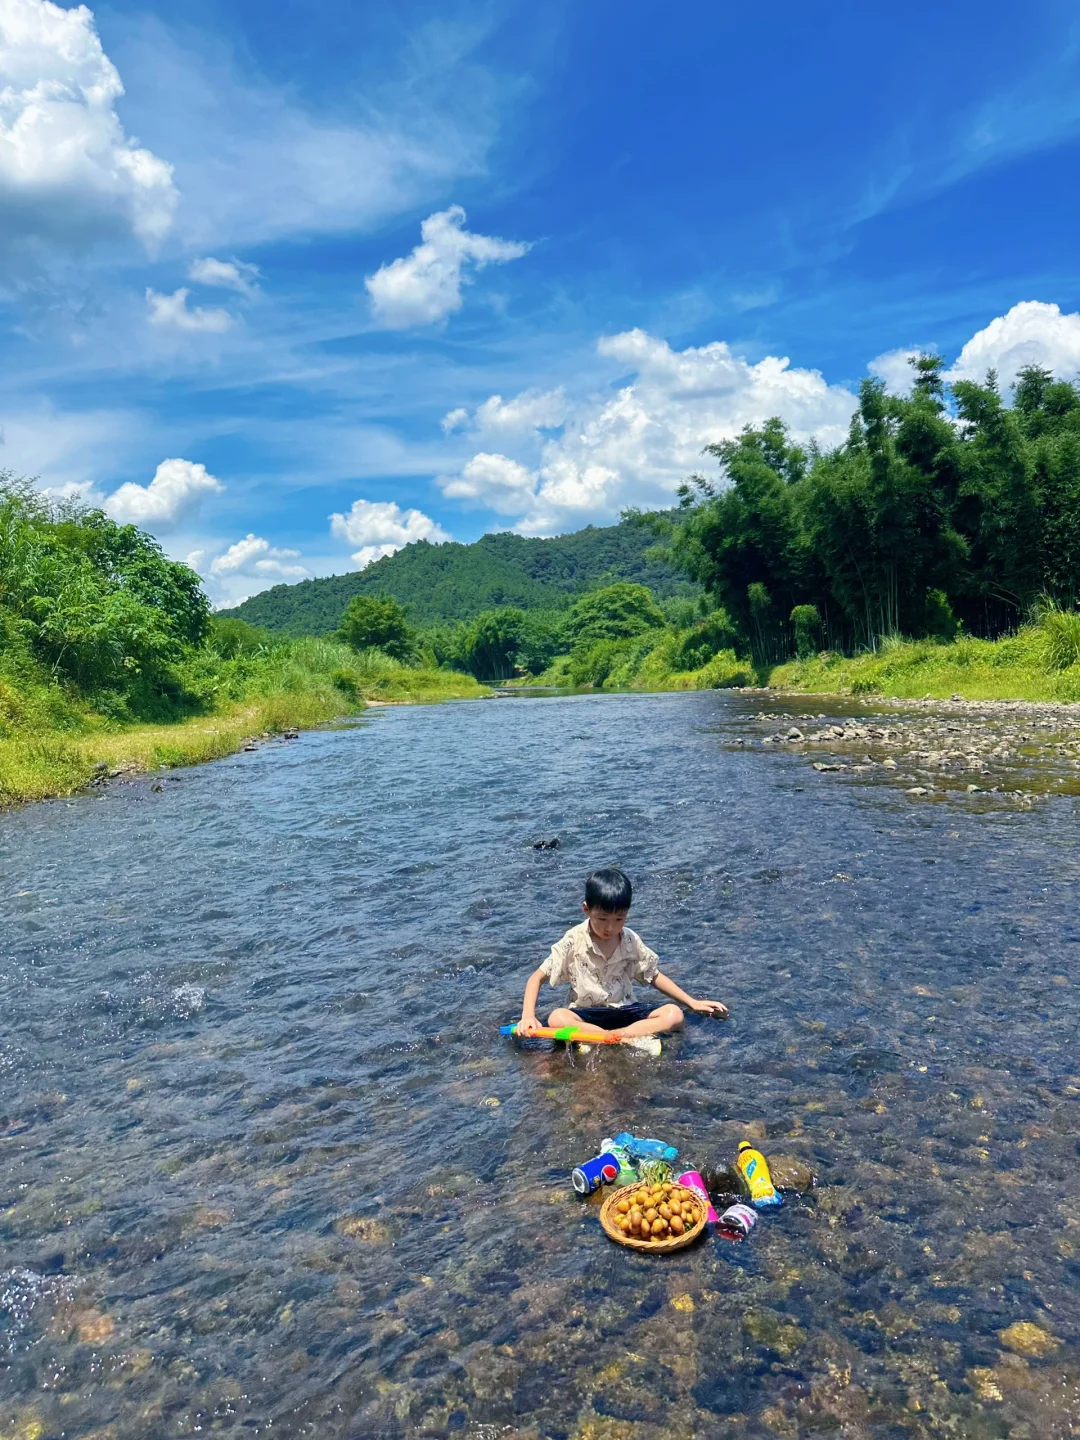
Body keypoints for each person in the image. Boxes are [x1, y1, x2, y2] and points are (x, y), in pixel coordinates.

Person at [516, 867, 728, 1041]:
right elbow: (536, 978)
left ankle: (616, 1037)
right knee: (557, 1017)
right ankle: (613, 1037)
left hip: (625, 1011)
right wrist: (528, 1016)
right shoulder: (573, 940)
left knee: (674, 1014)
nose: (610, 927)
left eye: (619, 919)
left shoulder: (629, 939)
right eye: (602, 919)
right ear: (586, 909)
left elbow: (652, 975)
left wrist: (692, 1002)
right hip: (587, 1014)